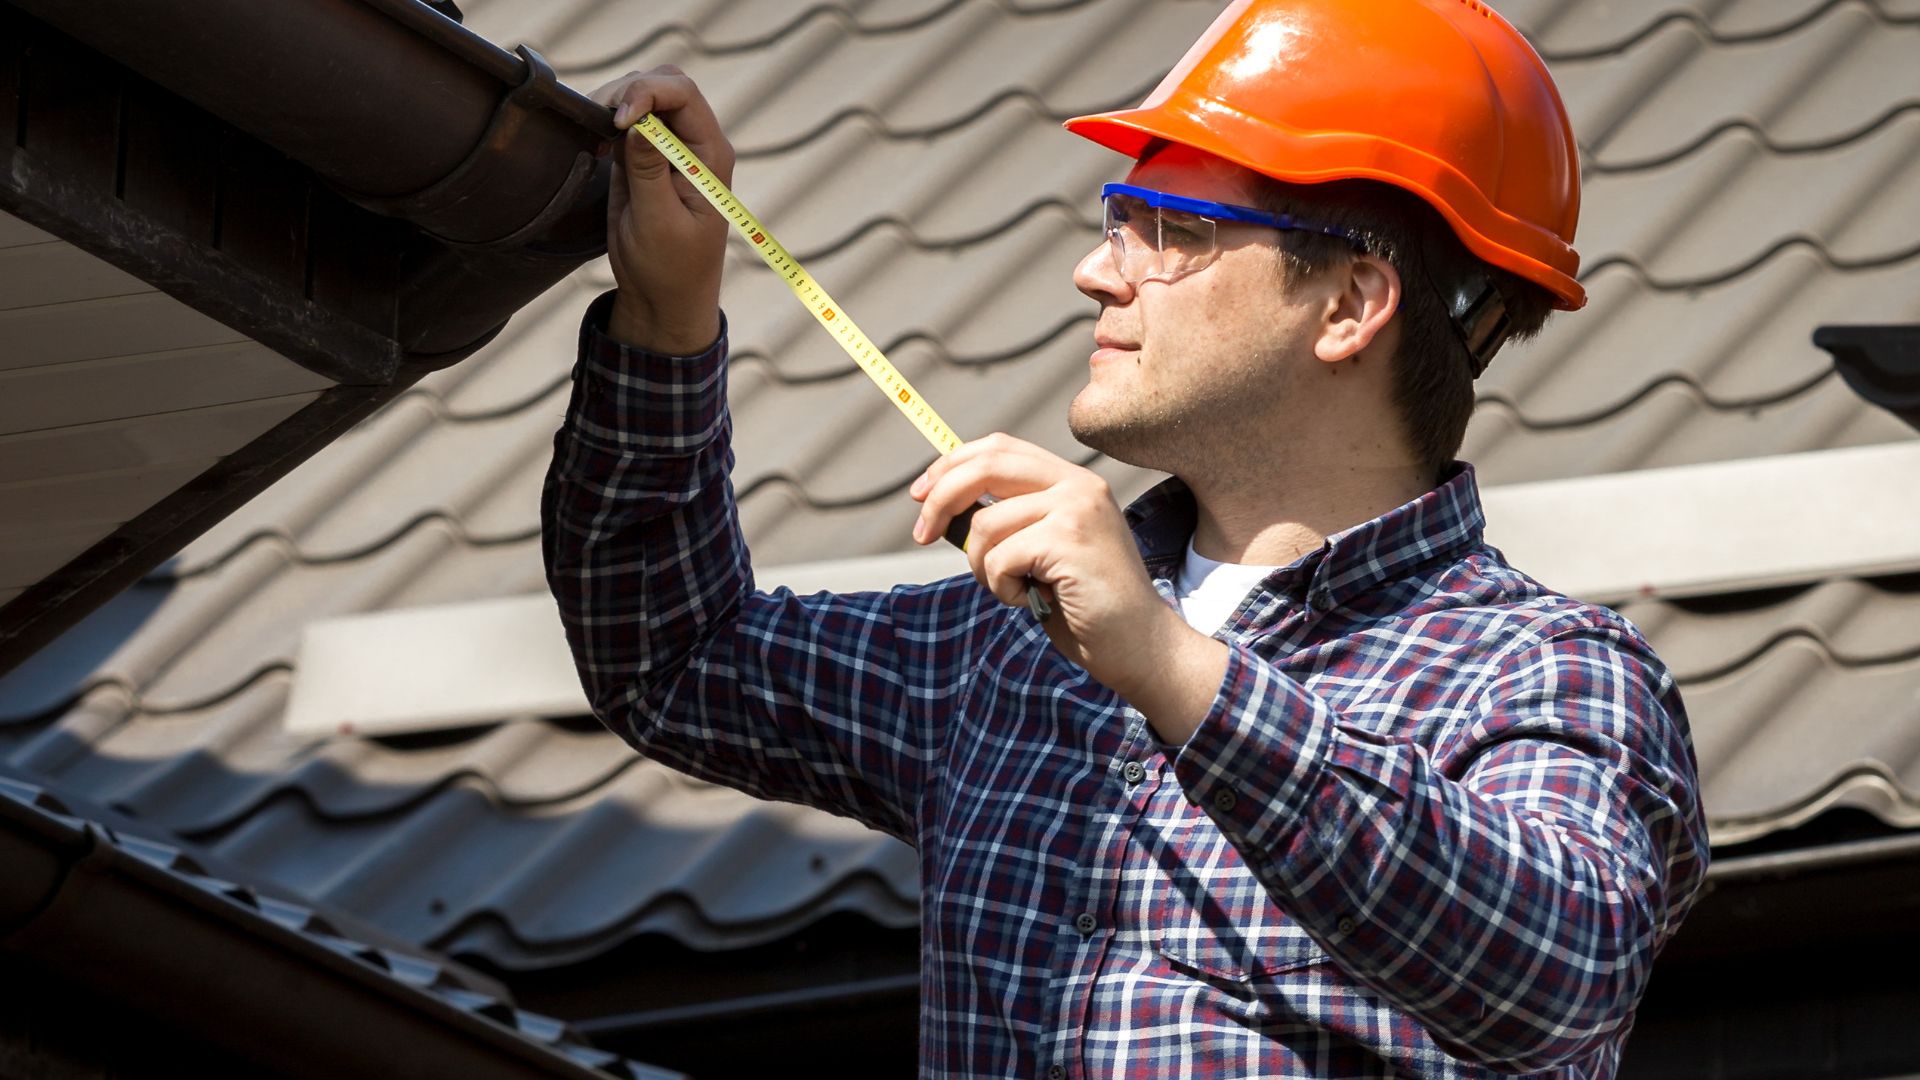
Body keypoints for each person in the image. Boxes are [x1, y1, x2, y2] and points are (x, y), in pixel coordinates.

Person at [543, 0, 1710, 1075]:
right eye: (1118, 219)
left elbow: (1556, 979)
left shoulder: (1545, 671)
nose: (1096, 271)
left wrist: (1169, 667)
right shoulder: (1007, 647)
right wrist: (666, 314)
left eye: (1172, 228)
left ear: (1351, 305)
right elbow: (669, 657)